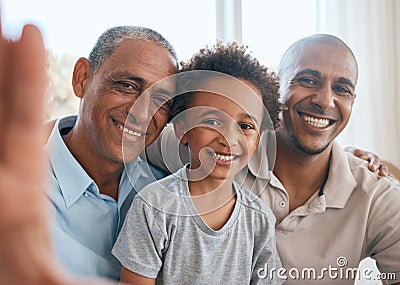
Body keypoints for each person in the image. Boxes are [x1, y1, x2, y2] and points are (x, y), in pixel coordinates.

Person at [147, 34, 400, 284]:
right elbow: (132, 137)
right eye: (308, 80)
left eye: (342, 89)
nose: (325, 101)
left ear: (352, 101)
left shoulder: (375, 193)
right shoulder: (219, 148)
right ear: (276, 86)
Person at [112, 42, 282, 284]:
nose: (228, 139)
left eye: (245, 126)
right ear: (182, 129)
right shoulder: (153, 207)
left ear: (258, 140)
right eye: (212, 121)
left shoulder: (260, 219)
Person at [45, 26, 178, 280]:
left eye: (161, 101)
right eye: (127, 86)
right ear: (81, 78)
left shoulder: (166, 191)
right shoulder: (18, 191)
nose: (141, 113)